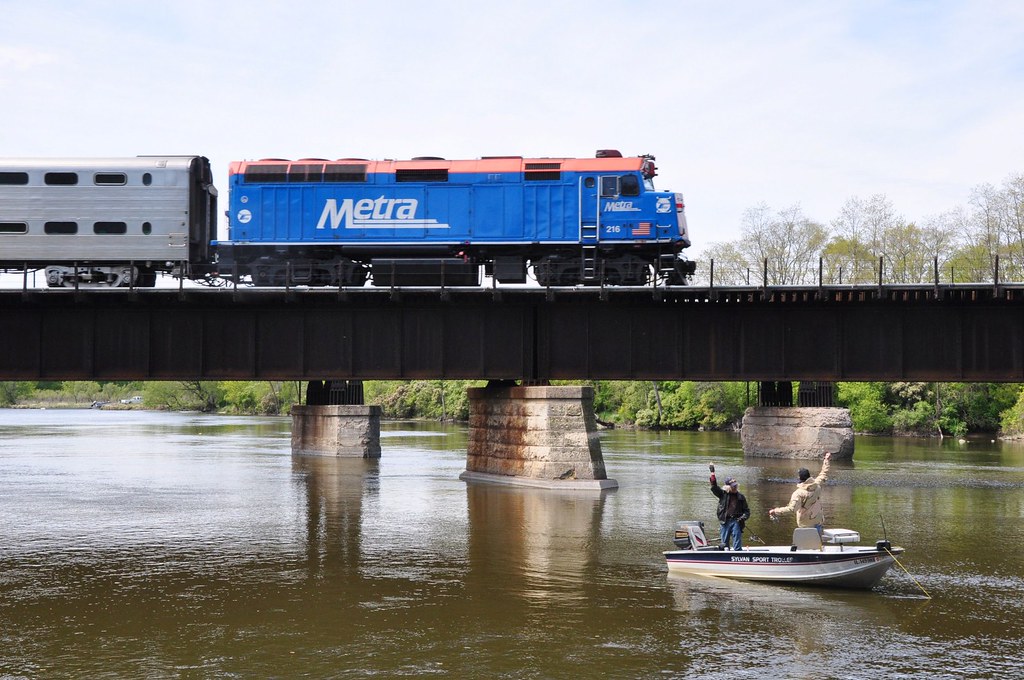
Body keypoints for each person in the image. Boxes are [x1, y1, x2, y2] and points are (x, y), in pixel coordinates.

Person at [768, 452, 832, 535]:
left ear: (800, 478)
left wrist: (775, 511)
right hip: (818, 521)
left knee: (806, 545)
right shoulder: (817, 484)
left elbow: (791, 509)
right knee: (818, 544)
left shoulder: (798, 493)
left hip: (805, 524)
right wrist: (826, 460)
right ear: (809, 476)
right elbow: (824, 473)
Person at [708, 463, 751, 550]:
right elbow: (714, 487)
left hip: (736, 521)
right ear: (727, 487)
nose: (735, 487)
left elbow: (747, 511)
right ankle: (724, 558)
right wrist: (712, 472)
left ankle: (738, 556)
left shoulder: (741, 497)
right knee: (724, 544)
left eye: (736, 485)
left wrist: (743, 517)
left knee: (737, 542)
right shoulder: (722, 494)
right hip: (725, 521)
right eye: (733, 486)